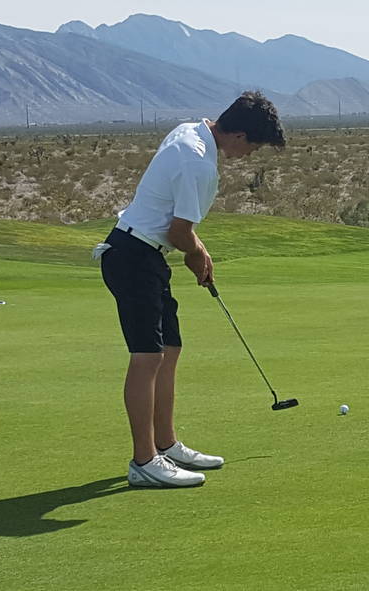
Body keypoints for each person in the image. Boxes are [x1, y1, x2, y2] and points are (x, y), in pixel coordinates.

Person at [95, 91, 286, 488]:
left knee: (169, 349)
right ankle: (144, 461)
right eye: (254, 146)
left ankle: (166, 444)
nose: (250, 156)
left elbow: (180, 232)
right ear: (238, 135)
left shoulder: (190, 131)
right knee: (147, 357)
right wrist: (197, 254)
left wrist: (197, 251)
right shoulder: (199, 161)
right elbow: (179, 232)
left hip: (145, 255)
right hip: (132, 256)